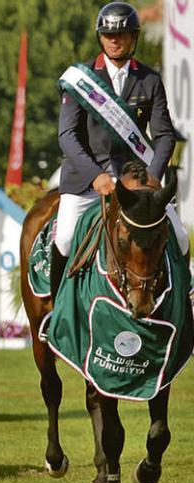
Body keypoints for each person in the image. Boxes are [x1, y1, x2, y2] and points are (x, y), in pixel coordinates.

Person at [50, 1, 186, 301]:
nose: (114, 40)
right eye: (108, 35)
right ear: (100, 37)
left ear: (133, 37)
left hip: (136, 181)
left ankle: (183, 309)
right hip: (86, 180)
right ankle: (57, 309)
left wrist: (152, 176)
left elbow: (164, 136)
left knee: (181, 238)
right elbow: (67, 136)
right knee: (65, 238)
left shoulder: (149, 79)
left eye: (121, 34)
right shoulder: (80, 80)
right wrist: (95, 176)